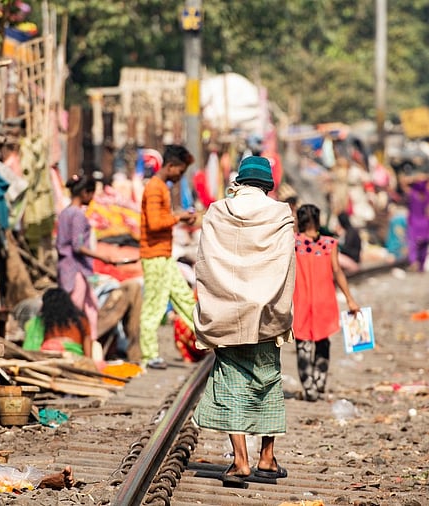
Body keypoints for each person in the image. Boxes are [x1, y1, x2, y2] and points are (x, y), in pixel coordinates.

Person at [192, 156, 296, 488]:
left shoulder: (217, 211)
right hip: (266, 315)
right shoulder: (280, 214)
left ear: (239, 181)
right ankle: (266, 458)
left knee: (232, 385)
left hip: (228, 311)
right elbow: (286, 264)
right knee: (268, 383)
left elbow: (206, 261)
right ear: (268, 185)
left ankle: (240, 462)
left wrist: (218, 301)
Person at [293, 204, 361, 402]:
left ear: (300, 221)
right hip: (324, 301)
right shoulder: (329, 244)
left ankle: (309, 388)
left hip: (301, 301)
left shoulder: (293, 243)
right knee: (323, 341)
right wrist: (350, 299)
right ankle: (320, 380)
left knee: (303, 345)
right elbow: (338, 272)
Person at [139, 145, 197, 369]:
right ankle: (149, 355)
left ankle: (207, 341)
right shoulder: (155, 188)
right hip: (154, 256)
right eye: (180, 171)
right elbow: (155, 223)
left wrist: (177, 217)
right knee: (154, 306)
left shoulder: (161, 187)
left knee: (184, 298)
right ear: (171, 166)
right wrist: (179, 217)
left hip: (163, 255)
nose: (181, 176)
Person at [56, 174, 128, 356]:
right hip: (76, 271)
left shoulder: (65, 213)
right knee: (77, 314)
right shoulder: (78, 215)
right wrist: (103, 257)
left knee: (89, 309)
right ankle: (77, 352)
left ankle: (89, 353)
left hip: (67, 268)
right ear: (85, 193)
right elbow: (78, 246)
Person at [23, 288, 92, 356]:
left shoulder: (42, 322)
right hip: (74, 358)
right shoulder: (80, 320)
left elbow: (35, 345)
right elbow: (87, 343)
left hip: (47, 358)